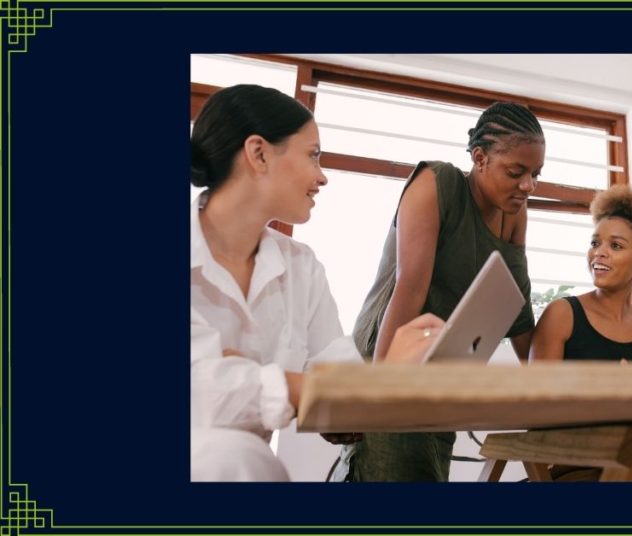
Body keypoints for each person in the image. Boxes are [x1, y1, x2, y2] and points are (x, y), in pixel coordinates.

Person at [190, 84, 444, 482]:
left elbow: (341, 399)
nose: (322, 176)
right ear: (258, 154)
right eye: (313, 155)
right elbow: (203, 393)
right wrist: (309, 389)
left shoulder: (301, 268)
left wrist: (386, 381)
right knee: (232, 454)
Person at [333, 102, 545, 482]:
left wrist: (552, 384)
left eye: (536, 174)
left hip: (442, 376)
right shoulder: (436, 182)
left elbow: (517, 307)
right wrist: (378, 391)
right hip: (391, 363)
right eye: (516, 172)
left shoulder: (515, 211)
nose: (528, 185)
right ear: (479, 158)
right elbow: (409, 287)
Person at [530, 185, 632, 481]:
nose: (599, 253)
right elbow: (537, 416)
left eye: (615, 246)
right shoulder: (562, 315)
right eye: (595, 242)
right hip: (578, 473)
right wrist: (617, 397)